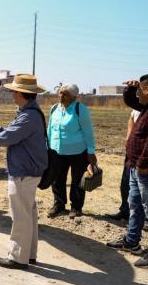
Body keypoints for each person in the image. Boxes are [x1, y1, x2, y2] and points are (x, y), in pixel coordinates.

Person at [0, 74, 48, 269]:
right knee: (28, 214)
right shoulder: (28, 113)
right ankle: (28, 254)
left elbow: (9, 136)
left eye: (14, 91)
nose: (12, 94)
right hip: (27, 170)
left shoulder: (29, 116)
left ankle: (18, 257)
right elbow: (10, 131)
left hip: (24, 172)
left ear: (22, 94)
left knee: (21, 216)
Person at [107, 75, 148, 268]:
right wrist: (131, 89)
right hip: (135, 167)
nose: (137, 93)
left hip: (144, 169)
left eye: (140, 89)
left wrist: (142, 164)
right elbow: (131, 101)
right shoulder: (145, 107)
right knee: (135, 206)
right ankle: (131, 241)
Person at [46, 84, 97, 219]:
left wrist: (91, 151)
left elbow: (88, 132)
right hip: (57, 151)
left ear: (74, 96)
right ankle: (59, 204)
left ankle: (76, 207)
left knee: (77, 180)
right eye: (60, 93)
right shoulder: (55, 108)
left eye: (65, 94)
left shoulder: (80, 109)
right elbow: (50, 129)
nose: (61, 96)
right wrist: (47, 146)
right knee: (57, 179)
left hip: (78, 152)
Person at [105, 109, 142, 220]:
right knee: (126, 182)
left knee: (143, 186)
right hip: (133, 150)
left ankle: (144, 218)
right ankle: (125, 210)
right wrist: (128, 137)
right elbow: (131, 118)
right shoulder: (139, 104)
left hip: (144, 151)